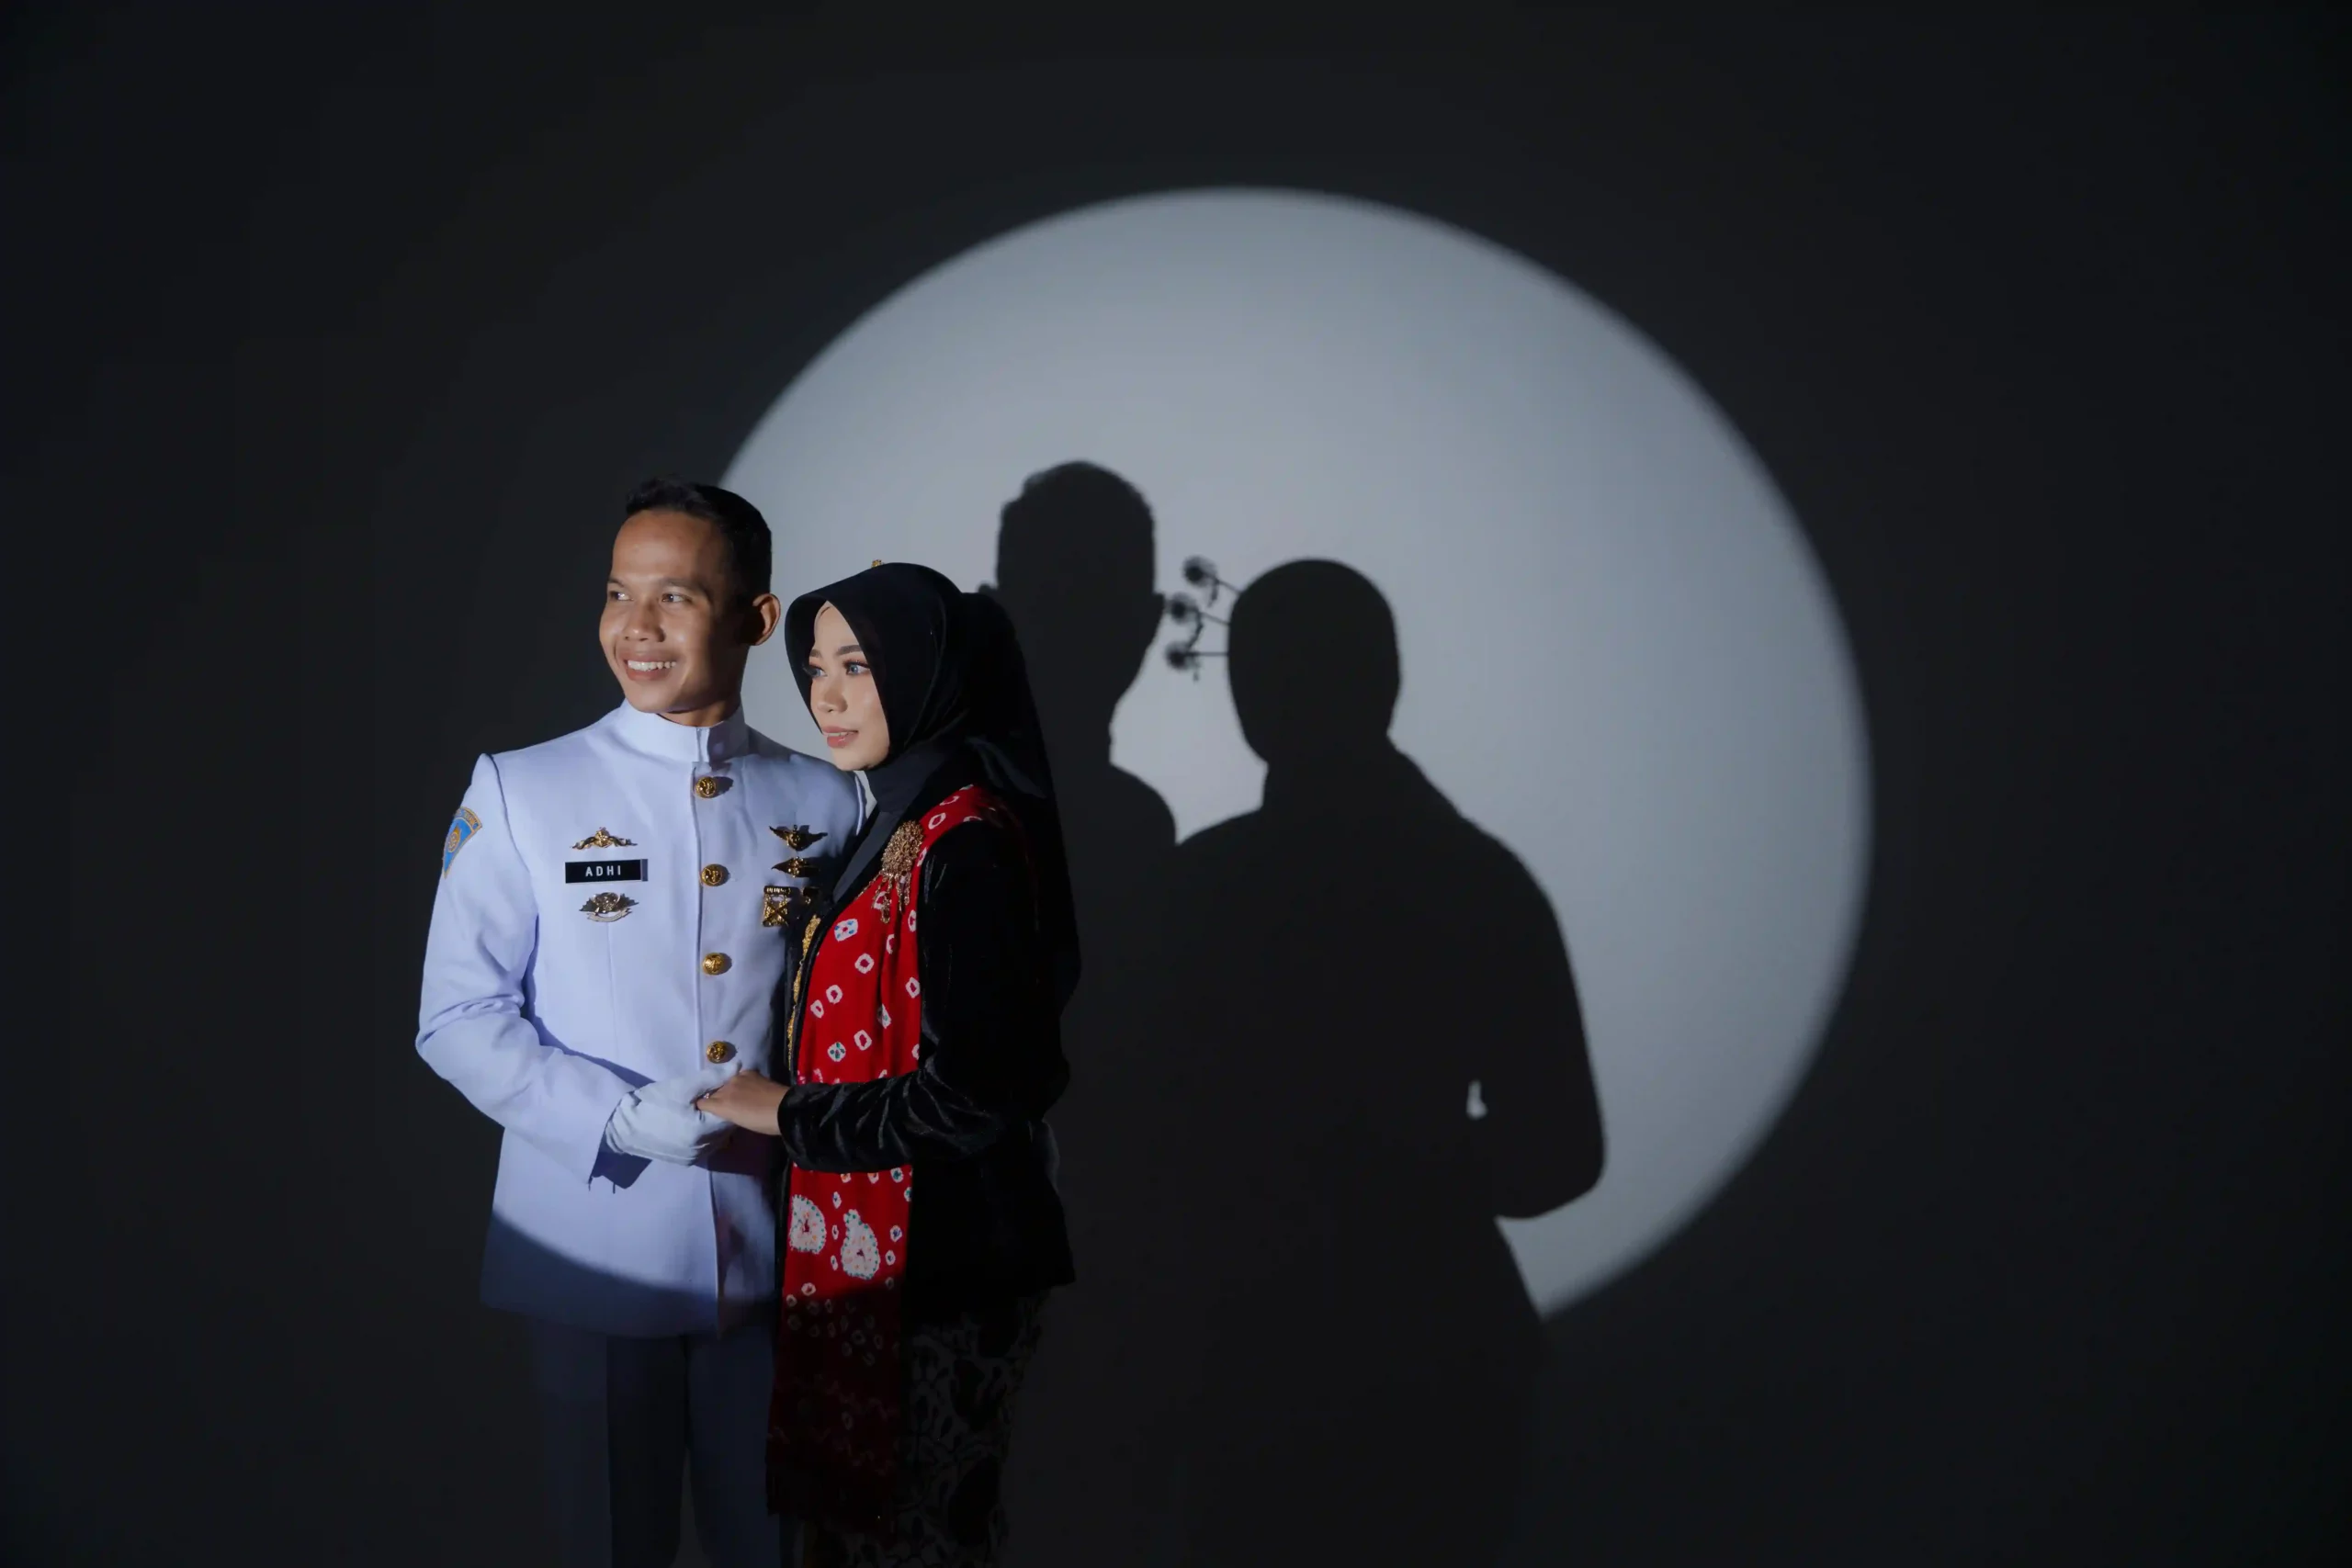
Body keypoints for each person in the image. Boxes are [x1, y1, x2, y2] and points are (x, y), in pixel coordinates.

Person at [416, 478, 864, 1568]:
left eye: (676, 597)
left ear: (757, 618)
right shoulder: (524, 789)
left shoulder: (829, 801)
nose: (636, 627)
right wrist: (615, 1118)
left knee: (774, 1549)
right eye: (618, 593)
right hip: (594, 1247)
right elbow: (458, 1014)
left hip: (778, 1257)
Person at [695, 561, 1079, 1568]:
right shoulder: (895, 822)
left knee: (923, 1543)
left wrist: (790, 1114)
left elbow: (978, 1094)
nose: (824, 696)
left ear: (923, 670)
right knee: (860, 1540)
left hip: (948, 1267)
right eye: (815, 667)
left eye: (856, 666)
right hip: (889, 1259)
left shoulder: (966, 843)